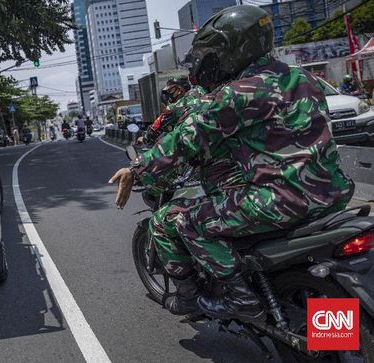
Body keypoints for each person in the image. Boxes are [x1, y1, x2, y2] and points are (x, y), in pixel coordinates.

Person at [109, 5, 354, 322]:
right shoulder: (303, 77)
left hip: (281, 201)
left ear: (233, 50)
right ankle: (331, 331)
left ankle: (241, 300)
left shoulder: (237, 94)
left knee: (186, 221)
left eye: (214, 52)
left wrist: (137, 169)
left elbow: (185, 138)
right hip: (333, 191)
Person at [140, 75, 205, 146]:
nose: (169, 95)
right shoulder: (200, 90)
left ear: (179, 90)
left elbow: (156, 127)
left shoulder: (174, 108)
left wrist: (144, 139)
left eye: (170, 91)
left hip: (194, 143)